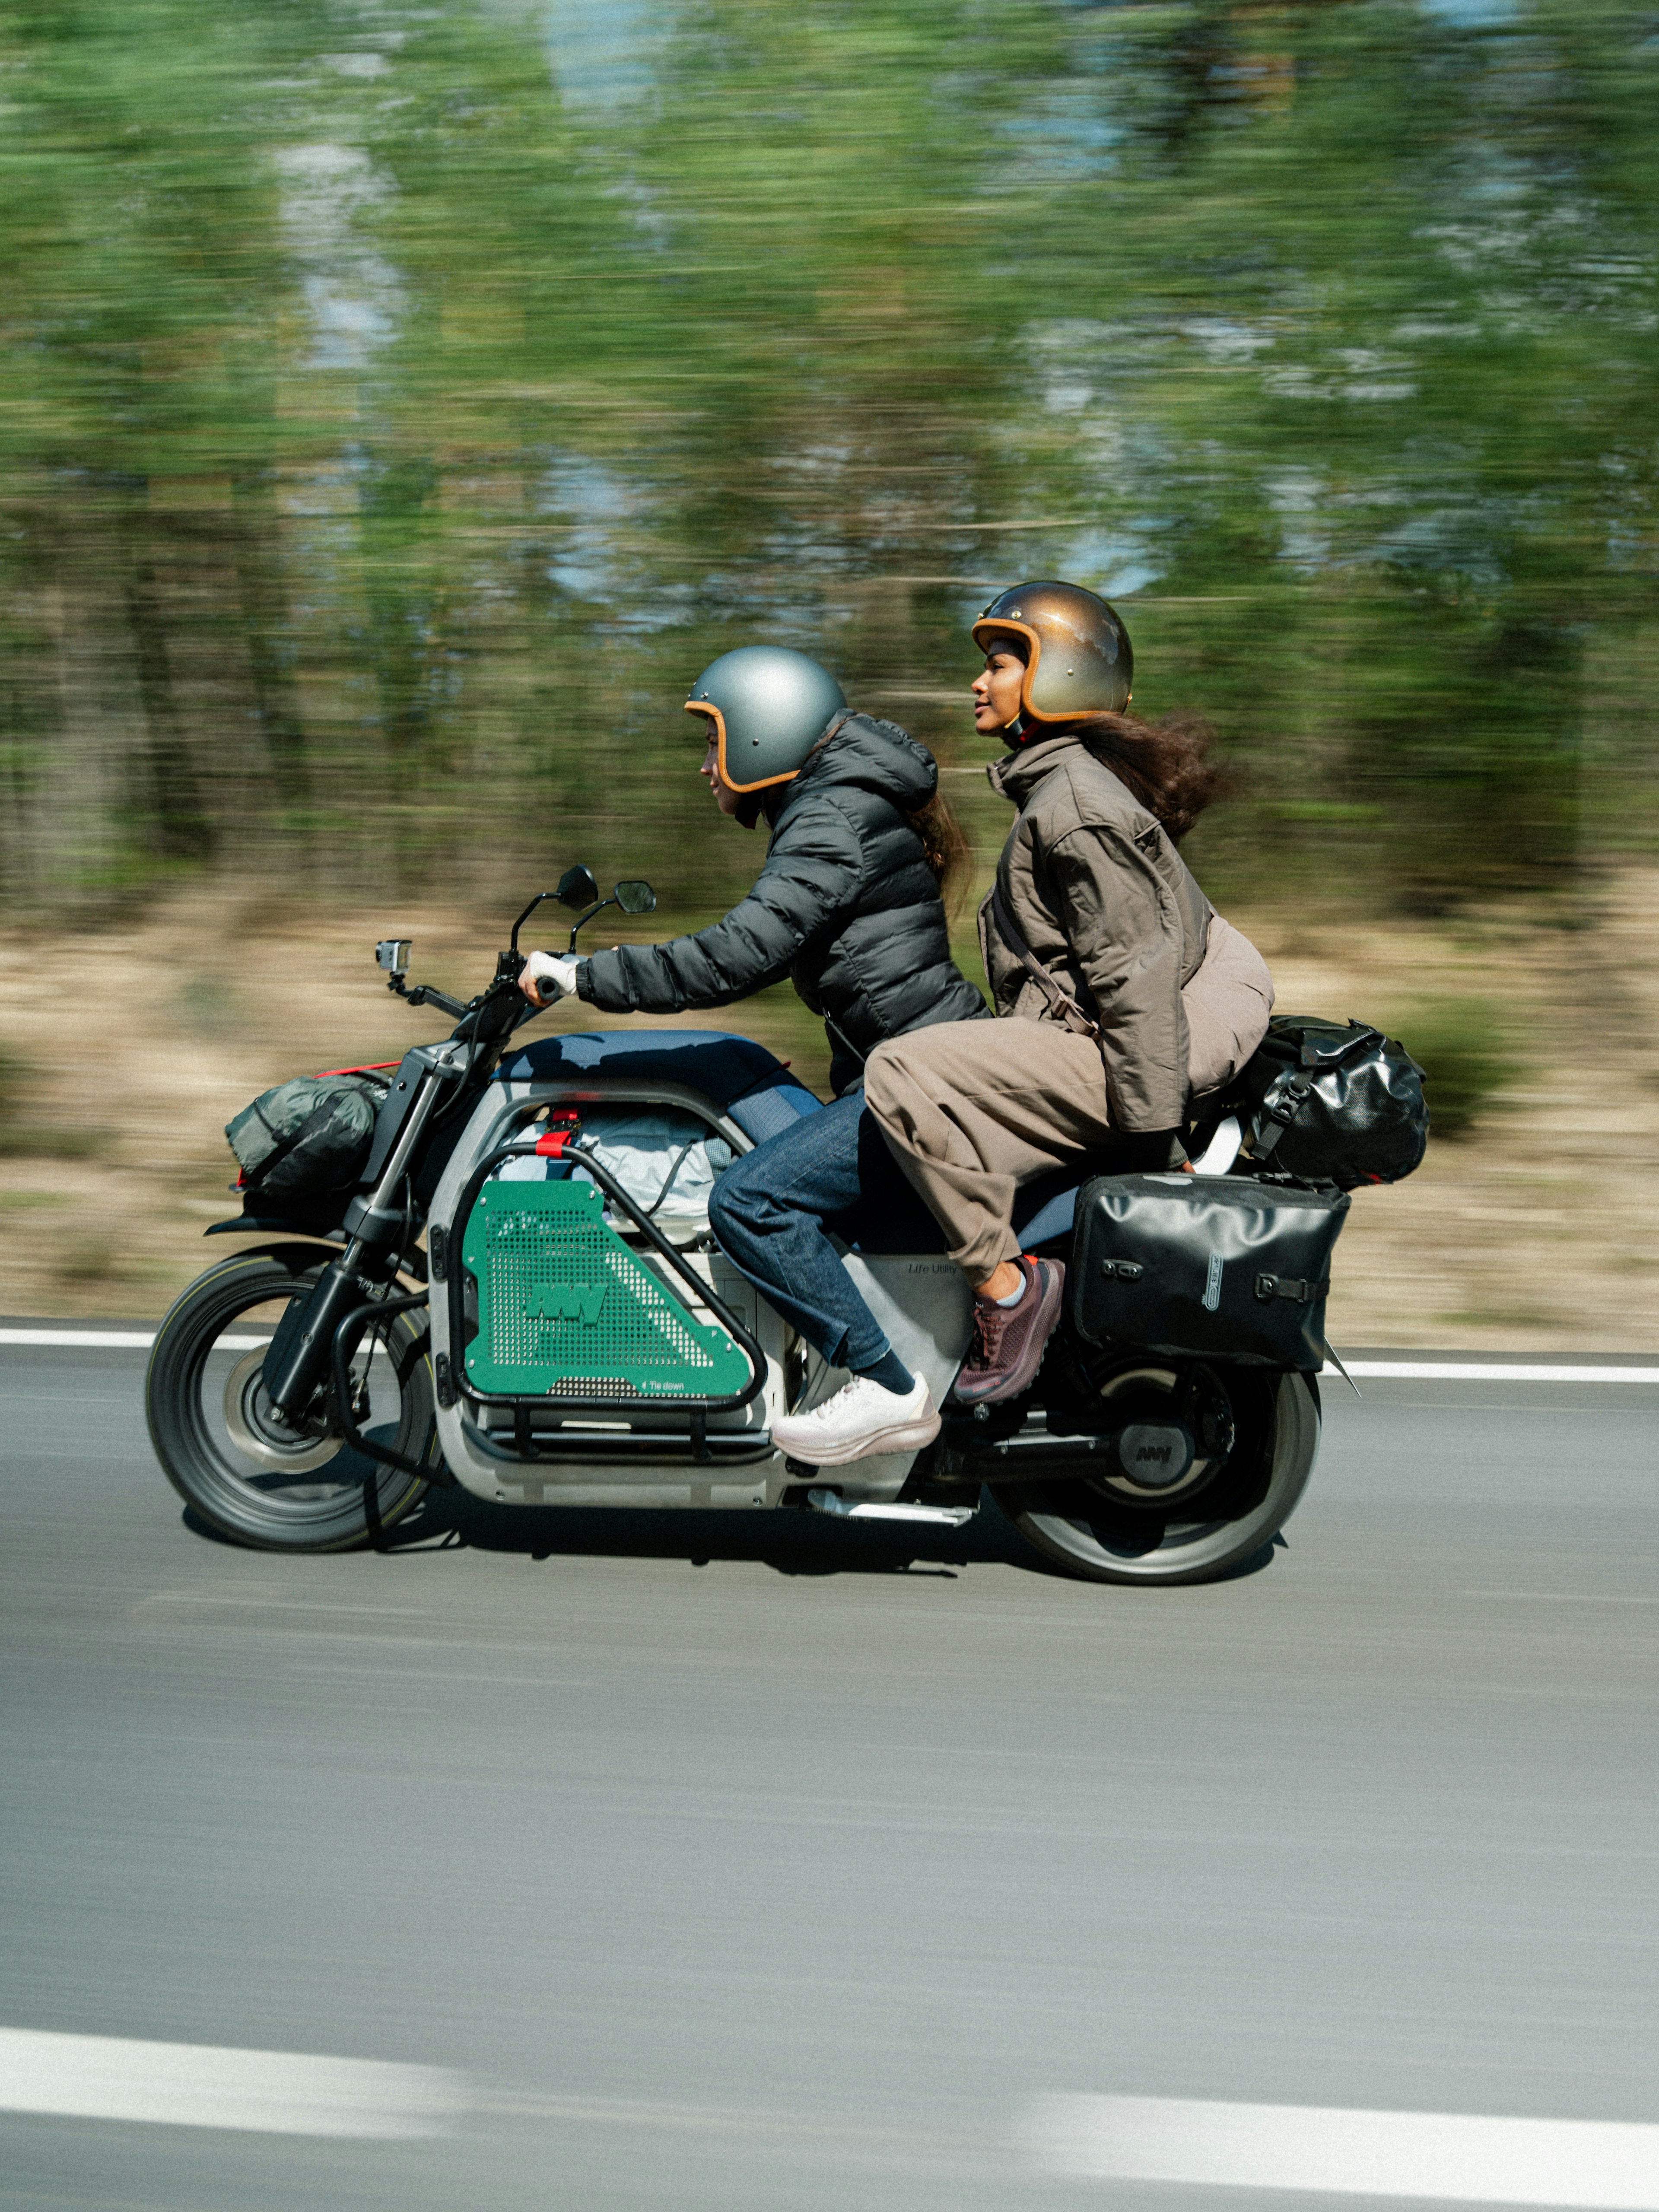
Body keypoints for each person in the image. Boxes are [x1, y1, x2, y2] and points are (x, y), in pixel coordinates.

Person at [519, 643, 988, 1467]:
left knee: (750, 1201)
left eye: (714, 741)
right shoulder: (841, 804)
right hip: (919, 1072)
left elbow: (738, 955)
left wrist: (586, 975)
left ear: (765, 736)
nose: (706, 767)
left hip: (923, 1087)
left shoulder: (831, 819)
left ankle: (885, 1386)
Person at [864, 581, 1274, 1409]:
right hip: (1153, 1027)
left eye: (1002, 661)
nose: (979, 683)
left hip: (1164, 1039)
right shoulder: (1059, 790)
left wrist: (1155, 1151)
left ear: (1062, 676)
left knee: (900, 1076)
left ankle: (1007, 1294)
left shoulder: (1076, 807)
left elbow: (1135, 980)